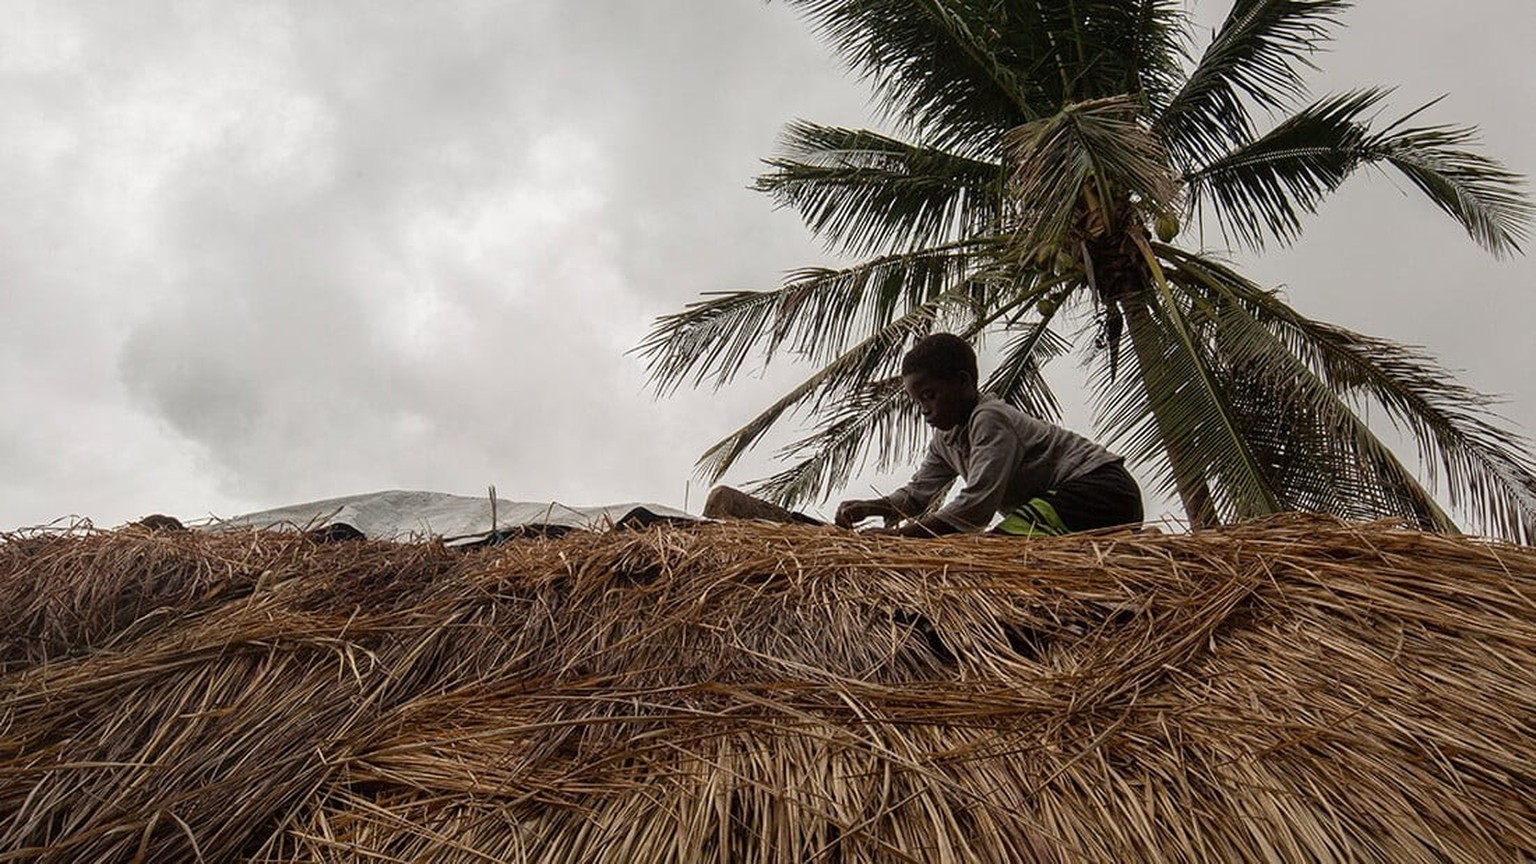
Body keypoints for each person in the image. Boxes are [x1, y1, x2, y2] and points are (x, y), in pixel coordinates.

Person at [836, 333, 1142, 537]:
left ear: (963, 382)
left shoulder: (990, 419)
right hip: (1067, 503)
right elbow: (917, 496)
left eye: (930, 396)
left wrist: (897, 538)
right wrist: (873, 507)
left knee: (998, 553)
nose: (925, 410)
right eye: (918, 402)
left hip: (1100, 490)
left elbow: (976, 506)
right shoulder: (946, 440)